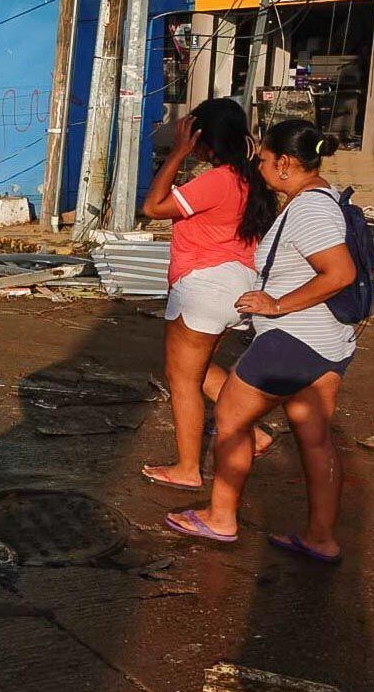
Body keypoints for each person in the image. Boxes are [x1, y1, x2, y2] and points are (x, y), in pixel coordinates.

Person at [167, 120, 357, 564]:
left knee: (232, 423)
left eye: (266, 160)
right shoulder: (325, 199)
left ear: (286, 163)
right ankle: (320, 538)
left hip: (293, 340)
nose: (261, 167)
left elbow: (340, 273)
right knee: (315, 438)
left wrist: (278, 305)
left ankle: (220, 517)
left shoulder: (310, 209)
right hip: (329, 341)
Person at [139, 98, 278, 490]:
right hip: (237, 285)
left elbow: (153, 206)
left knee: (181, 379)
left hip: (202, 286)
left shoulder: (217, 180)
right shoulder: (253, 179)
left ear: (203, 140)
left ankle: (187, 468)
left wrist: (177, 154)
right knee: (199, 373)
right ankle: (256, 436)